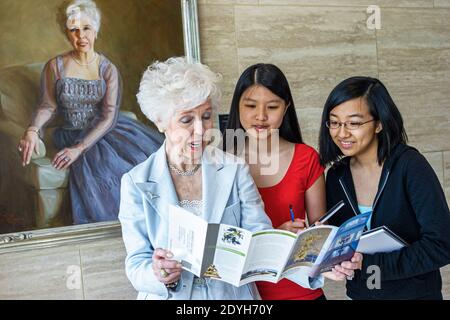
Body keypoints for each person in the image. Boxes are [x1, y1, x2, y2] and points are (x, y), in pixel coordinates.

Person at [118, 57, 333, 300]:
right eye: (187, 120)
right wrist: (158, 273)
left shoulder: (234, 169)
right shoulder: (135, 182)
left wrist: (319, 268)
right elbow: (136, 263)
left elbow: (259, 241)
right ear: (159, 121)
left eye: (207, 116)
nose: (201, 130)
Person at [17, 0, 163, 224]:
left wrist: (79, 148)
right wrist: (33, 129)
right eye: (73, 29)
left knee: (142, 163)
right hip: (70, 132)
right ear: (67, 33)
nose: (81, 36)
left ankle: (147, 223)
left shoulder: (108, 69)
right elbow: (48, 105)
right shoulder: (55, 66)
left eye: (86, 28)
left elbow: (108, 116)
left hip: (105, 132)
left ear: (96, 30)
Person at [223, 63, 362, 300]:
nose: (261, 116)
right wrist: (275, 237)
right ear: (237, 106)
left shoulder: (305, 158)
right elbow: (219, 242)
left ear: (286, 107)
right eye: (250, 106)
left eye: (272, 107)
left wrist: (302, 240)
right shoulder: (220, 162)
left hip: (300, 292)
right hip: (242, 295)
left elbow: (320, 231)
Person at [319, 76, 450, 300]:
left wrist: (370, 264)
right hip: (360, 295)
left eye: (354, 123)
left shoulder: (409, 166)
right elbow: (341, 240)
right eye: (335, 122)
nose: (342, 133)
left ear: (379, 123)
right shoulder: (336, 176)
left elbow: (442, 245)